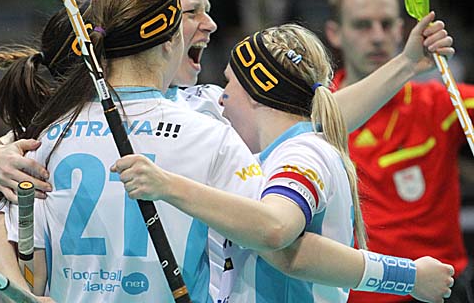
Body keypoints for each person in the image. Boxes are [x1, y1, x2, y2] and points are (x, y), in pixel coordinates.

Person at [0, 0, 266, 302]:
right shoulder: (212, 133)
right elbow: (271, 231)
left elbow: (13, 243)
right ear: (170, 41)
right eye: (190, 13)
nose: (208, 23)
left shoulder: (49, 135)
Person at [111, 21, 455, 303]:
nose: (222, 98)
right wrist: (407, 63)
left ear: (258, 90)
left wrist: (166, 185)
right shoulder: (280, 153)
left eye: (229, 82)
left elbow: (277, 231)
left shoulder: (302, 154)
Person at [323, 0, 474, 303]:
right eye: (362, 25)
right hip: (356, 297)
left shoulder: (441, 103)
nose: (377, 37)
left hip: (442, 294)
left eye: (387, 24)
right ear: (335, 33)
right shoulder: (316, 115)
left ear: (402, 30)